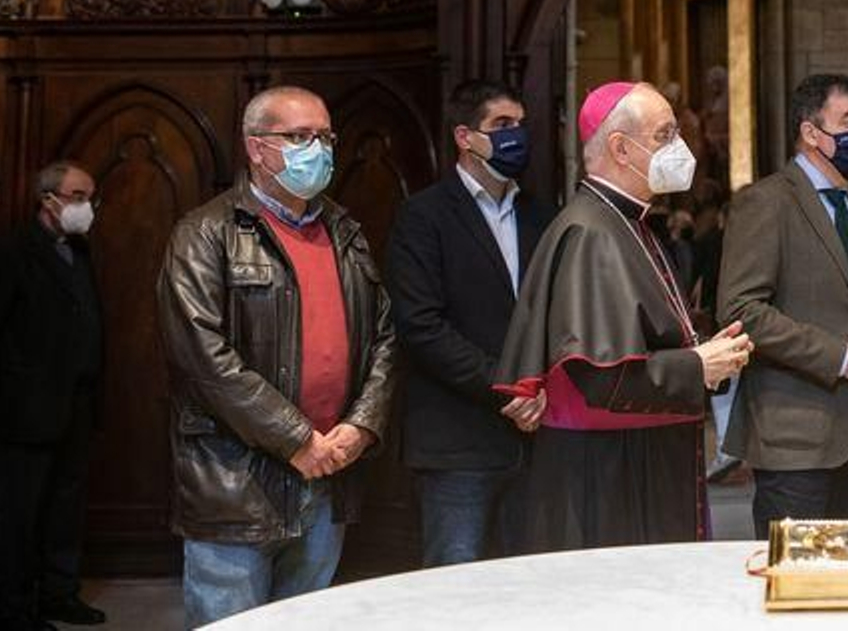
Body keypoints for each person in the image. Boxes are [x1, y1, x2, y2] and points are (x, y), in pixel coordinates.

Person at [156, 86, 397, 629]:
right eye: (299, 136)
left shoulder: (346, 231)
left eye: (325, 137)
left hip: (328, 473)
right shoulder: (205, 233)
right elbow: (202, 358)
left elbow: (383, 336)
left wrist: (361, 426)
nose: (319, 149)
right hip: (235, 486)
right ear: (256, 148)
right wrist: (295, 439)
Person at [495, 81, 752, 551]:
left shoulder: (628, 222)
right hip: (609, 472)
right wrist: (697, 365)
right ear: (620, 148)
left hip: (639, 459)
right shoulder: (591, 232)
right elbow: (602, 377)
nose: (681, 148)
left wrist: (709, 356)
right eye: (664, 135)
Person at [718, 73, 848, 537]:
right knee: (795, 569)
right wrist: (842, 358)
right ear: (810, 132)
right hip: (794, 438)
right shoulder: (765, 202)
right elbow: (741, 311)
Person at [385, 80, 553, 567]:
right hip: (457, 444)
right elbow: (421, 326)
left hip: (535, 440)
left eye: (520, 124)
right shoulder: (423, 215)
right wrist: (507, 388)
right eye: (501, 124)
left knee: (534, 585)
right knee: (455, 591)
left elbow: (558, 313)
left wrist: (542, 389)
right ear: (465, 137)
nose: (516, 135)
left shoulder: (542, 215)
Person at [0, 162, 106, 631]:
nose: (87, 206)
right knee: (20, 516)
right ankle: (12, 612)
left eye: (90, 197)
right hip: (27, 411)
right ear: (48, 199)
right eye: (78, 196)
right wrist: (11, 396)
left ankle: (58, 595)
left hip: (77, 405)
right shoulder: (11, 250)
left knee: (65, 510)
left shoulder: (79, 249)